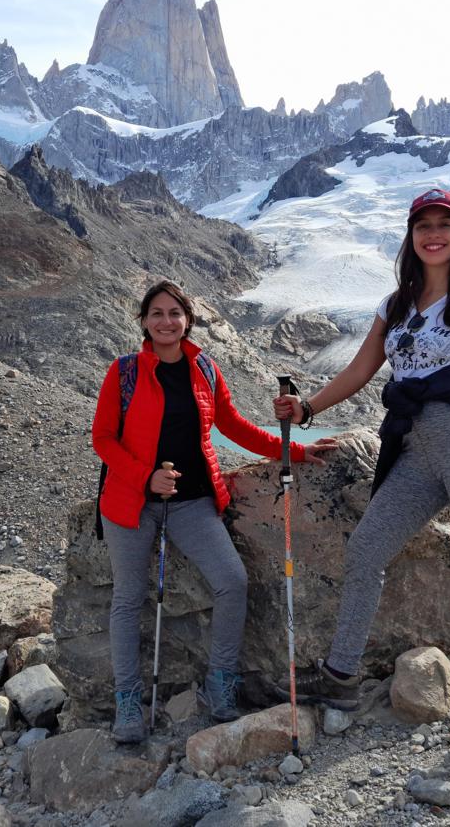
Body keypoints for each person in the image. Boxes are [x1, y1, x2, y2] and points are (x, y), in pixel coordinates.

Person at [273, 188, 450, 752]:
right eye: (422, 224)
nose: (433, 234)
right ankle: (342, 676)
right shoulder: (395, 305)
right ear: (410, 236)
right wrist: (307, 410)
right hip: (414, 449)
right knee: (367, 550)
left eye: (443, 224)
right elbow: (361, 369)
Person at [92, 280, 329, 743]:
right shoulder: (123, 373)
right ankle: (127, 701)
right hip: (132, 501)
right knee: (127, 599)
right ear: (143, 321)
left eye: (175, 313)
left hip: (193, 501)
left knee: (231, 581)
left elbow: (232, 425)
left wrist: (293, 451)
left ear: (188, 320)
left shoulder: (204, 367)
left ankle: (221, 681)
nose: (166, 321)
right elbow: (102, 439)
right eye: (156, 313)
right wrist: (145, 477)